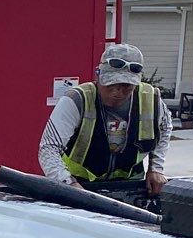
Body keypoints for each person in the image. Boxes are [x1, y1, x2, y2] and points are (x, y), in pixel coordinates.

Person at [39, 43, 169, 196]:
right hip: (79, 183)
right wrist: (67, 183)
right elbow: (48, 148)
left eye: (125, 86)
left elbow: (165, 128)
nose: (117, 92)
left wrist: (156, 168)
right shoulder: (77, 99)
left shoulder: (151, 100)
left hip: (129, 186)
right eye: (110, 85)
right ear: (98, 75)